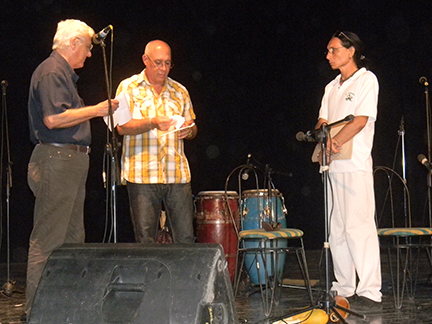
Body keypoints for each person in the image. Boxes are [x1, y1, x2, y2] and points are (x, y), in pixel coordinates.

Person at [25, 19, 119, 319]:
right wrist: (98, 109)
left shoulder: (63, 75)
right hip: (57, 160)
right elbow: (54, 120)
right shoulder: (52, 71)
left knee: (71, 239)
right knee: (49, 239)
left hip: (70, 161)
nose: (90, 54)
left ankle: (62, 306)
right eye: (88, 47)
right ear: (74, 43)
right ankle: (36, 311)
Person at [315, 31, 382, 312]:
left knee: (359, 225)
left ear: (350, 50)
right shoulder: (332, 87)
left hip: (354, 164)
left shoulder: (366, 79)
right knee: (338, 228)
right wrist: (324, 137)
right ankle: (344, 285)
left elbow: (362, 119)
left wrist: (337, 141)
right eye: (328, 51)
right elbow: (322, 120)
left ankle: (369, 289)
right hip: (332, 164)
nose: (328, 55)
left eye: (333, 50)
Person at [113, 40, 197, 244]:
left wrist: (189, 130)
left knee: (185, 237)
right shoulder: (128, 87)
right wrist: (152, 122)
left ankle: (183, 276)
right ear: (145, 60)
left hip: (176, 174)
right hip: (142, 175)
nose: (163, 68)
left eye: (168, 63)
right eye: (158, 63)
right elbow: (121, 127)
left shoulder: (180, 91)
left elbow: (193, 127)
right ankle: (149, 277)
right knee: (145, 240)